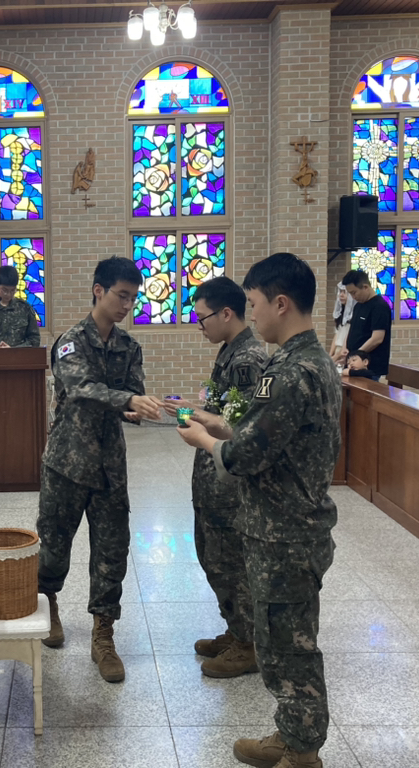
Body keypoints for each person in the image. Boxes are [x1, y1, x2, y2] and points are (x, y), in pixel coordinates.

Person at [176, 252, 341, 768]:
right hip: (285, 524)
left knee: (290, 647)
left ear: (281, 303)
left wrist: (206, 440)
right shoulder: (309, 362)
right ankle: (291, 735)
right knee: (278, 639)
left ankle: (302, 751)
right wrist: (222, 425)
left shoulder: (292, 371)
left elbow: (246, 456)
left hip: (285, 532)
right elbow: (266, 434)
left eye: (254, 303)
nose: (252, 314)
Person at [37, 256, 164, 683]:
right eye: (121, 296)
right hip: (68, 462)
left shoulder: (129, 346)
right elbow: (80, 388)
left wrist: (139, 407)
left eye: (132, 298)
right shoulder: (71, 342)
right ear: (98, 290)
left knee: (111, 552)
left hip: (110, 466)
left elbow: (133, 392)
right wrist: (126, 400)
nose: (126, 305)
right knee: (55, 546)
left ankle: (103, 635)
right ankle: (47, 605)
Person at [161, 276, 267, 679]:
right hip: (213, 477)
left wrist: (201, 428)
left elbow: (241, 429)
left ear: (226, 313)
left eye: (202, 317)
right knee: (213, 556)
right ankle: (237, 630)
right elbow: (223, 411)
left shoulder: (248, 359)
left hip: (228, 481)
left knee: (230, 562)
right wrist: (190, 409)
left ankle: (248, 643)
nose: (199, 326)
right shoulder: (230, 351)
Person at [340, 270, 392, 379]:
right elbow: (351, 330)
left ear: (365, 287)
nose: (353, 297)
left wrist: (356, 355)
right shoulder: (358, 306)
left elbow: (377, 338)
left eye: (354, 292)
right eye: (350, 293)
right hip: (353, 363)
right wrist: (345, 348)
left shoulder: (379, 307)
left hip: (368, 367)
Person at [328, 283, 354, 360]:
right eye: (340, 292)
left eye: (344, 292)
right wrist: (330, 355)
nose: (341, 295)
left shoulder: (353, 314)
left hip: (347, 351)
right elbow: (337, 334)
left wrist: (337, 356)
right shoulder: (340, 314)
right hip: (338, 350)